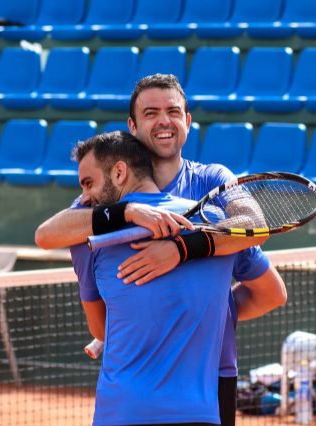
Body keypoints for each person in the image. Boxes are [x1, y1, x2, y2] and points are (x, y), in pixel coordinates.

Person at [36, 74, 287, 425]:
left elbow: (254, 228)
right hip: (144, 388)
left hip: (213, 374)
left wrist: (182, 256)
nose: (164, 120)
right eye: (151, 113)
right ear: (132, 126)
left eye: (173, 111)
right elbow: (49, 233)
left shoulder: (212, 182)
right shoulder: (106, 198)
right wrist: (128, 212)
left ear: (187, 121)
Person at [69, 130, 236, 425]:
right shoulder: (218, 223)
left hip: (120, 413)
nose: (84, 197)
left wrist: (176, 251)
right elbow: (272, 291)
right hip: (200, 414)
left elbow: (100, 328)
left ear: (119, 172)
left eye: (88, 183)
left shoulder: (85, 232)